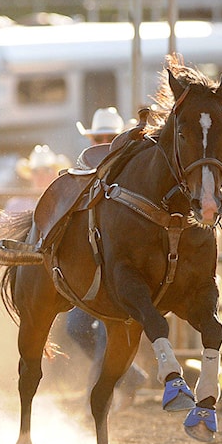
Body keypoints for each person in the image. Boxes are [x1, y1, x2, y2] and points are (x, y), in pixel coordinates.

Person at [67, 107, 148, 406]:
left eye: (110, 137)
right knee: (75, 327)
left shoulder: (133, 174)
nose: (104, 141)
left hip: (120, 270)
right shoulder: (83, 173)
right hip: (93, 266)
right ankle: (130, 377)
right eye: (100, 137)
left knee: (106, 330)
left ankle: (99, 395)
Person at [3, 145, 70, 216]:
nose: (40, 176)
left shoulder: (66, 202)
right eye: (35, 172)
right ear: (31, 175)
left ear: (56, 174)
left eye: (47, 170)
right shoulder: (15, 205)